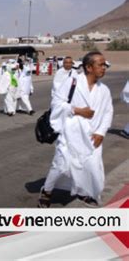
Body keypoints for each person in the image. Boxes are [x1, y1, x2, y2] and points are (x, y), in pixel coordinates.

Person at [38, 51, 113, 208]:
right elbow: (57, 104)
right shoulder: (72, 82)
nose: (104, 67)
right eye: (100, 64)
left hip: (92, 138)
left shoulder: (104, 90)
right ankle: (47, 191)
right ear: (89, 67)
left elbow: (108, 112)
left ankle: (84, 192)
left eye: (105, 65)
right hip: (69, 135)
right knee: (60, 165)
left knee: (90, 167)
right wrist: (77, 110)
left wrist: (101, 132)